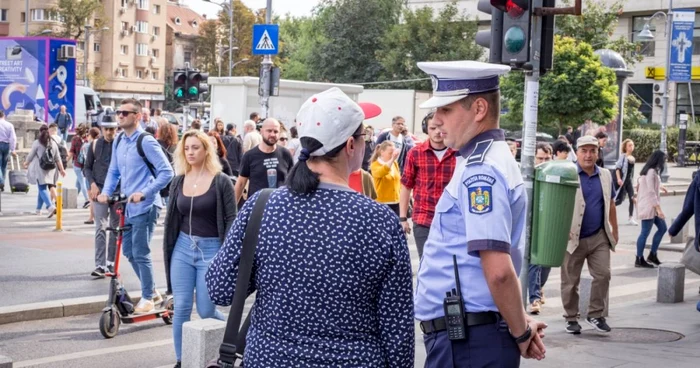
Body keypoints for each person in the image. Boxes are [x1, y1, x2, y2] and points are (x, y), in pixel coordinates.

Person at [206, 87, 414, 367]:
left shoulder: (263, 206)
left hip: (270, 358)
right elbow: (397, 331)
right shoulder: (379, 221)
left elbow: (220, 289)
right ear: (351, 146)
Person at [414, 60, 546, 366]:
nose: (436, 120)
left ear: (479, 110)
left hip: (468, 342)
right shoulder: (478, 160)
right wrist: (519, 323)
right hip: (471, 335)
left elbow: (499, 271)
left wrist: (522, 332)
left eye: (445, 110)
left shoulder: (480, 171)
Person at [164, 130, 236, 368]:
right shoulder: (178, 181)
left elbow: (231, 219)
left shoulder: (221, 181)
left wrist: (228, 256)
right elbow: (172, 219)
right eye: (186, 148)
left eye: (195, 147)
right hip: (183, 248)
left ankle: (229, 335)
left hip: (212, 249)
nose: (190, 152)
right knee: (182, 307)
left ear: (206, 150)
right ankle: (181, 359)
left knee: (206, 310)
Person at [97, 98, 174, 314]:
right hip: (128, 206)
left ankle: (148, 297)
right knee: (129, 251)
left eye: (124, 113)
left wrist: (145, 192)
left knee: (140, 251)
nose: (119, 116)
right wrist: (105, 193)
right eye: (119, 112)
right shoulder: (120, 140)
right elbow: (113, 171)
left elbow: (167, 172)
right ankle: (153, 291)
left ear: (137, 116)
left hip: (147, 205)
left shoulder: (146, 141)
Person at [561, 135, 618, 334]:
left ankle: (595, 314)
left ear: (597, 153)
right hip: (572, 237)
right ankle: (570, 317)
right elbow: (556, 205)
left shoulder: (605, 175)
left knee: (604, 274)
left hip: (598, 236)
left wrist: (614, 230)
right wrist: (561, 228)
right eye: (584, 150)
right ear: (576, 153)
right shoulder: (567, 173)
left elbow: (610, 203)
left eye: (592, 151)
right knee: (570, 281)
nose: (588, 155)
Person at [399, 111, 457, 258]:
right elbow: (406, 186)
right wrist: (403, 218)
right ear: (426, 129)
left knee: (450, 267)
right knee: (426, 265)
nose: (437, 132)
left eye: (440, 127)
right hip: (424, 219)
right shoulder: (415, 153)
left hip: (452, 220)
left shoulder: (458, 153)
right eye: (432, 128)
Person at [83, 118, 119, 278]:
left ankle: (111, 262)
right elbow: (87, 167)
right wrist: (92, 184)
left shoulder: (121, 144)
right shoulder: (95, 145)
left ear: (116, 129)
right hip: (99, 191)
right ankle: (100, 265)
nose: (110, 132)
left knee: (115, 229)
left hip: (118, 192)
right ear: (102, 129)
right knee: (100, 227)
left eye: (112, 129)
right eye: (107, 129)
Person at [234, 118, 293, 204]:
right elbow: (241, 183)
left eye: (276, 131)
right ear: (261, 131)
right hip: (257, 207)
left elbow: (292, 182)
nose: (272, 134)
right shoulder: (249, 156)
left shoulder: (285, 154)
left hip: (280, 207)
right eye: (269, 131)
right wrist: (232, 211)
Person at [635, 150, 668, 268]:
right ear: (658, 159)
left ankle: (652, 255)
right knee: (645, 232)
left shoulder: (651, 171)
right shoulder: (651, 172)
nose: (665, 162)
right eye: (664, 159)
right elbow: (650, 191)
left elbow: (650, 186)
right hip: (649, 207)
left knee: (663, 228)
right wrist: (659, 209)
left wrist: (661, 187)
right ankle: (639, 258)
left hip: (651, 206)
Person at [24, 125, 65, 217]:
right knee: (42, 189)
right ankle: (38, 209)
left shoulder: (37, 142)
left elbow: (31, 155)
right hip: (51, 169)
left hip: (41, 168)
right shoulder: (53, 143)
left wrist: (26, 163)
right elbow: (58, 158)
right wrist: (62, 169)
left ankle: (50, 207)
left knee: (42, 188)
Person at [370, 141, 401, 216]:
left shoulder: (394, 163)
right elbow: (381, 172)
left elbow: (398, 180)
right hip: (382, 202)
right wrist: (392, 160)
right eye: (390, 153)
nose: (392, 155)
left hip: (396, 202)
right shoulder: (375, 165)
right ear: (382, 152)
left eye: (393, 153)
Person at [615, 139, 638, 226]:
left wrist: (634, 182)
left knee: (632, 199)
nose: (631, 147)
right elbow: (617, 168)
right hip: (623, 181)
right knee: (620, 200)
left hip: (629, 182)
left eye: (632, 145)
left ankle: (631, 218)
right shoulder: (623, 156)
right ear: (625, 147)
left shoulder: (633, 158)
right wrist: (618, 179)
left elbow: (632, 172)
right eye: (629, 145)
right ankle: (608, 209)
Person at [67, 124, 90, 208]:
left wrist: (64, 162)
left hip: (77, 163)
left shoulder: (75, 139)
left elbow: (71, 152)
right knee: (79, 182)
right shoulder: (88, 140)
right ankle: (72, 199)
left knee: (81, 182)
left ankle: (87, 199)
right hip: (86, 164)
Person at [157, 122, 179, 207]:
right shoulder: (176, 146)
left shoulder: (157, 144)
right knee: (170, 201)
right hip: (172, 174)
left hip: (159, 174)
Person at [0, 110, 17, 192]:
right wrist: (13, 149)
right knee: (4, 165)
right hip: (6, 145)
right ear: (4, 116)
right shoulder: (9, 125)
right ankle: (2, 181)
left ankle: (1, 181)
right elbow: (13, 138)